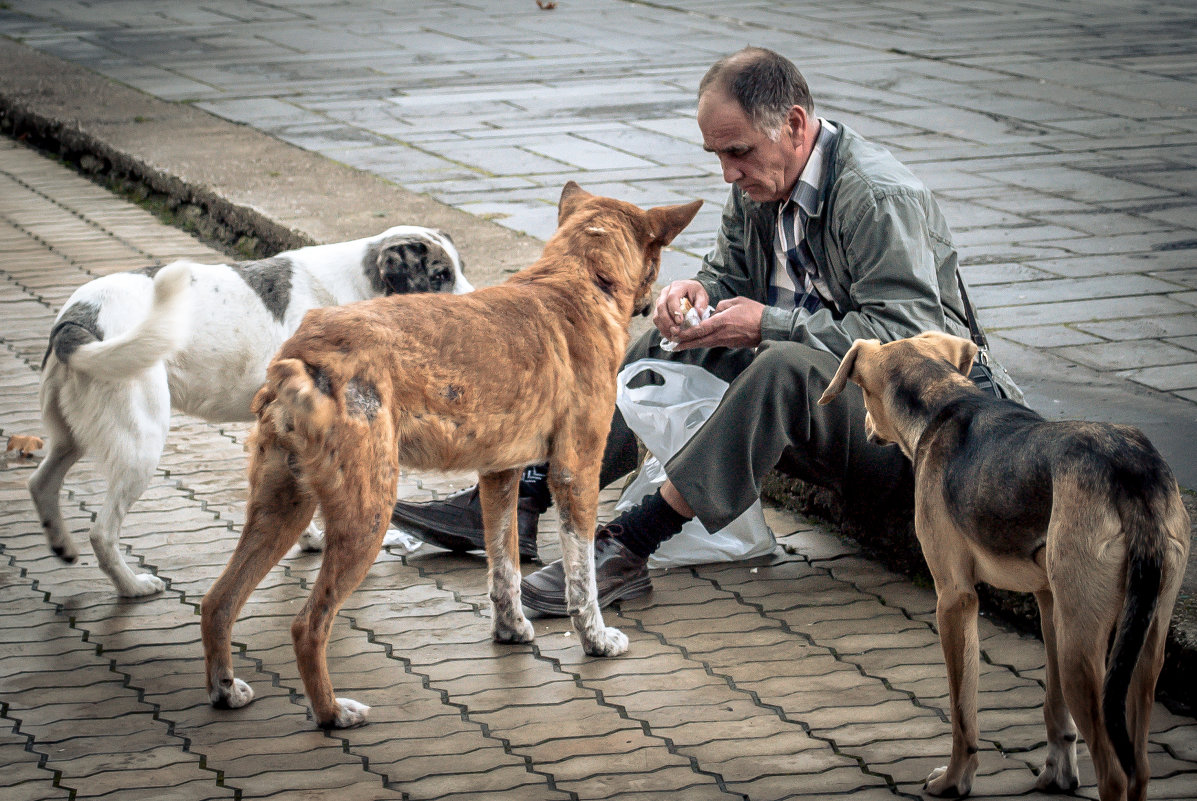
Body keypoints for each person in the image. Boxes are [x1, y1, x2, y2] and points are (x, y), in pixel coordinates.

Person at [391, 46, 1020, 614]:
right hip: (839, 416)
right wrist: (695, 298)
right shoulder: (758, 186)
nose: (727, 173)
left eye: (738, 152)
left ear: (795, 126)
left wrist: (767, 325)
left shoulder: (876, 198)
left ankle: (631, 545)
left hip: (922, 440)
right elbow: (726, 277)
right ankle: (525, 496)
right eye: (717, 155)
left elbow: (907, 338)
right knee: (669, 341)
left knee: (781, 366)